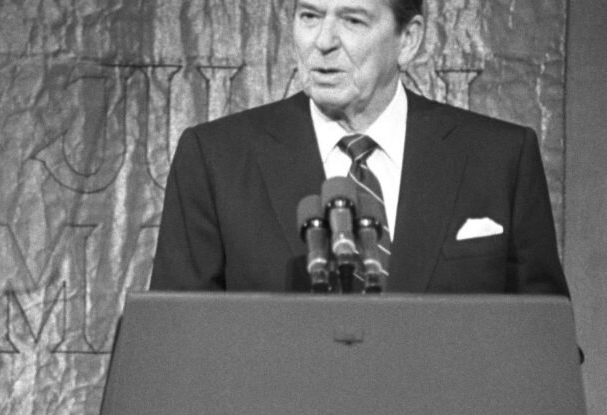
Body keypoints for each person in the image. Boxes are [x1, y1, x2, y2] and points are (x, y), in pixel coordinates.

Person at [149, 0, 569, 295]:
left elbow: (544, 341)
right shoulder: (216, 158)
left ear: (409, 39)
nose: (323, 41)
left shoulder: (498, 158)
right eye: (309, 16)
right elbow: (178, 339)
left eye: (352, 20)